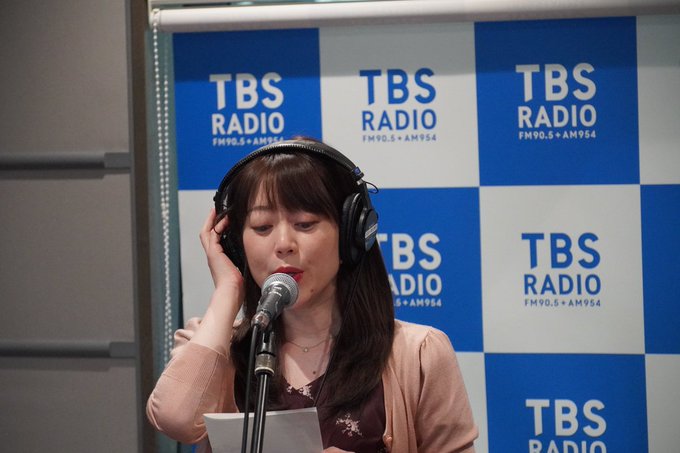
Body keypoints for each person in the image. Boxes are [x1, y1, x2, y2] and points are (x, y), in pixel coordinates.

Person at [146, 138, 478, 453]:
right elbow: (175, 420)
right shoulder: (212, 344)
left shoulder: (419, 354)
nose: (283, 244)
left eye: (305, 224)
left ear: (351, 234)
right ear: (236, 244)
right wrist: (229, 289)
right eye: (262, 227)